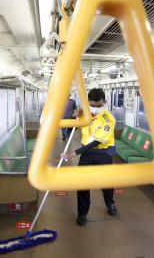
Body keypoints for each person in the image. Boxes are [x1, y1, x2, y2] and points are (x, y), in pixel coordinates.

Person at [61, 88, 117, 226]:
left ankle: (110, 203)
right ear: (88, 103)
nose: (96, 108)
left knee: (107, 183)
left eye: (99, 105)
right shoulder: (84, 114)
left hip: (103, 153)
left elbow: (96, 142)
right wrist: (75, 117)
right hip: (87, 154)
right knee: (83, 183)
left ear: (105, 102)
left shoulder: (109, 119)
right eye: (93, 105)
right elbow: (74, 126)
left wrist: (74, 153)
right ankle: (82, 213)